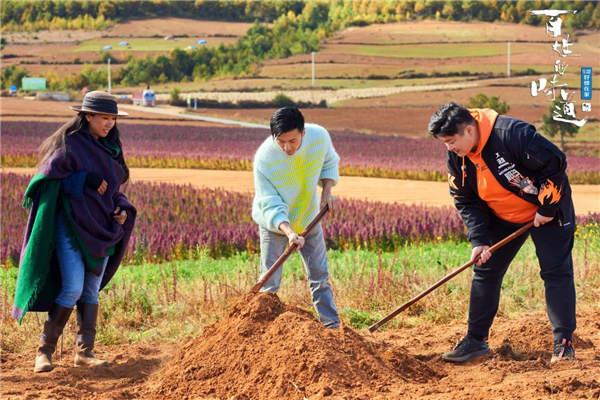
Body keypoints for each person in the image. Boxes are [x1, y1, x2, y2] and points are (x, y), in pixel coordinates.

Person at [427, 102, 576, 364]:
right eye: (444, 143)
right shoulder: (458, 156)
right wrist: (479, 240)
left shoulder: (512, 134)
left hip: (547, 211)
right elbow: (465, 199)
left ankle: (563, 344)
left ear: (469, 129)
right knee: (485, 269)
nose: (449, 148)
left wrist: (548, 207)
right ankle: (475, 342)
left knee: (555, 271)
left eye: (451, 141)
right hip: (503, 215)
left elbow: (555, 164)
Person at [12, 91, 137, 373]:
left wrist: (121, 208)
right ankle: (43, 352)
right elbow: (48, 182)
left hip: (102, 228)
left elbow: (114, 191)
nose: (110, 124)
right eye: (104, 117)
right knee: (72, 287)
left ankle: (85, 352)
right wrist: (84, 179)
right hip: (71, 226)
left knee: (91, 290)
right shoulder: (69, 146)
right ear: (87, 116)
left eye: (113, 118)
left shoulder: (111, 149)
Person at [252, 107, 340, 328]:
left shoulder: (319, 137)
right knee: (269, 283)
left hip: (309, 218)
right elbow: (270, 202)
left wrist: (327, 190)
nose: (286, 147)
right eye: (280, 141)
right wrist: (289, 232)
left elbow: (329, 162)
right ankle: (263, 331)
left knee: (319, 275)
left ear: (303, 132)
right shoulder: (264, 158)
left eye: (292, 141)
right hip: (275, 225)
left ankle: (332, 327)